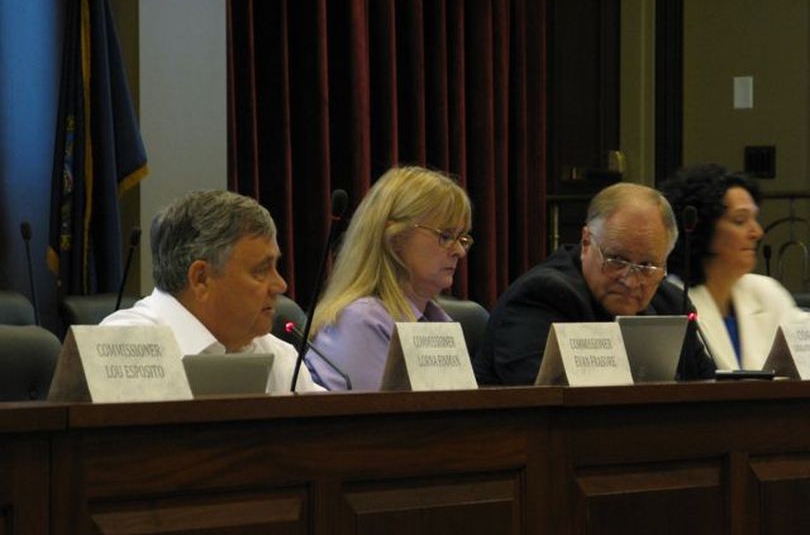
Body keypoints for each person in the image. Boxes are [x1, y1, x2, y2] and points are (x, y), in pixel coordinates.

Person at [474, 182, 715, 385]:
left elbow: (708, 394)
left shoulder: (672, 305)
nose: (631, 281)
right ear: (587, 241)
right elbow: (544, 407)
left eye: (648, 266)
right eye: (617, 260)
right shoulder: (542, 297)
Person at [101, 189, 323, 393]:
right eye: (261, 270)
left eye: (275, 267)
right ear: (201, 279)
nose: (281, 285)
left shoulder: (279, 356)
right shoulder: (124, 348)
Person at [305, 166, 473, 391]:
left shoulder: (437, 320)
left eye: (461, 238)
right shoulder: (362, 321)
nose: (459, 252)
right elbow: (383, 425)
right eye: (446, 236)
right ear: (393, 237)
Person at [660, 163, 807, 370]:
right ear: (704, 227)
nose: (757, 232)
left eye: (754, 219)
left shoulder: (767, 292)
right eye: (740, 220)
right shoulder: (673, 300)